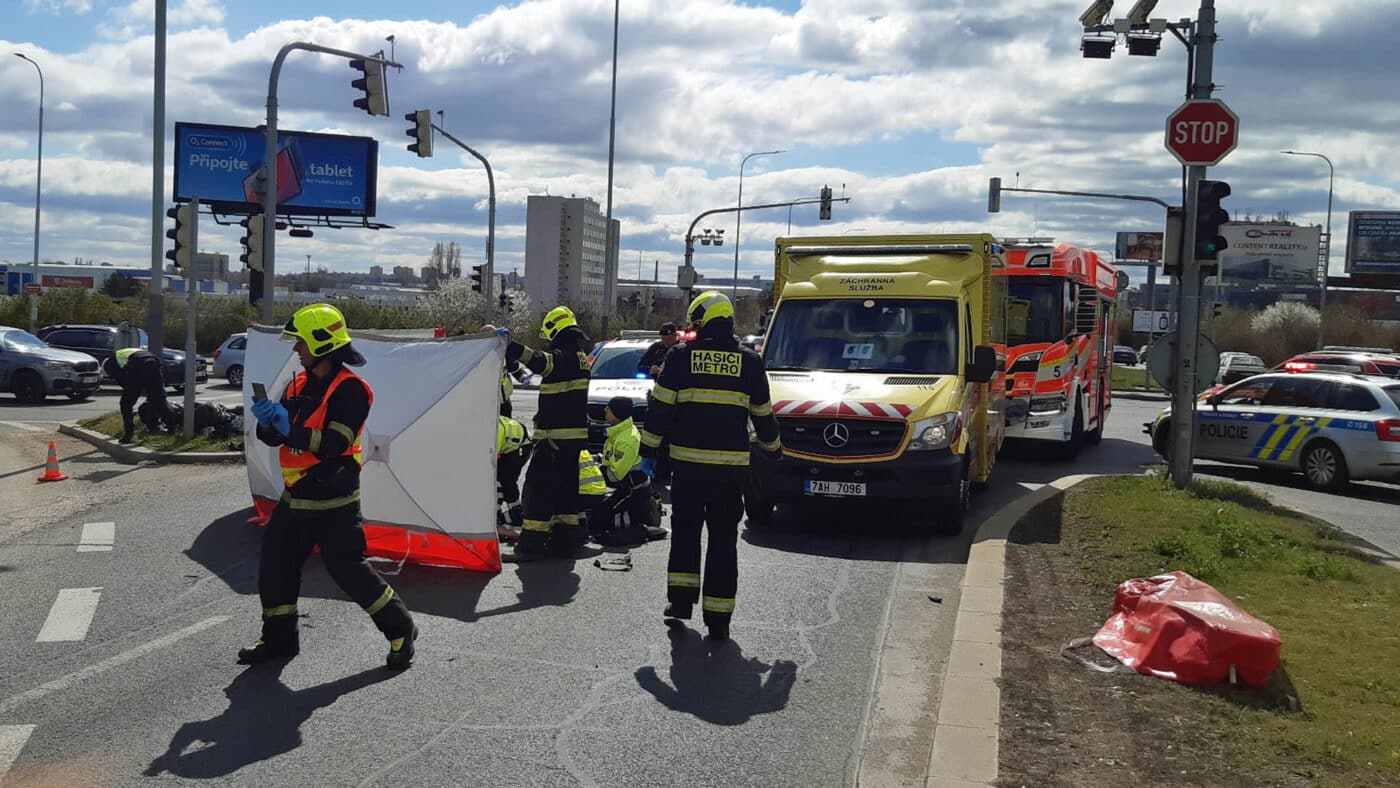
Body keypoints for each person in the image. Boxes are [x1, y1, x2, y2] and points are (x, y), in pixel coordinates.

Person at [241, 303, 418, 670]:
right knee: (275, 569)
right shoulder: (300, 384)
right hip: (296, 497)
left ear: (320, 345)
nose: (295, 349)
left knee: (349, 572)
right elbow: (276, 438)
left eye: (300, 343)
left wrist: (289, 428)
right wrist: (269, 424)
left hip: (334, 500)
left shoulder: (353, 390)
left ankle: (401, 628)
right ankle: (279, 642)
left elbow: (335, 444)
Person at [641, 291, 782, 641]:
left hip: (688, 469)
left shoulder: (679, 357)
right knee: (723, 540)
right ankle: (719, 619)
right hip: (731, 472)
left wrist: (647, 452)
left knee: (686, 535)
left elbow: (660, 410)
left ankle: (680, 603)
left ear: (701, 321)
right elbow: (763, 415)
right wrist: (774, 451)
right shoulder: (749, 361)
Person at [501, 306, 591, 560]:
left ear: (555, 330)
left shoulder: (565, 356)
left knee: (537, 489)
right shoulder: (581, 356)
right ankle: (564, 541)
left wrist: (510, 344)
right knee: (565, 491)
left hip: (554, 437)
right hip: (570, 439)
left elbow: (539, 361)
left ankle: (532, 544)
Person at [591, 396, 665, 546]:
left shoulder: (626, 440)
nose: (605, 410)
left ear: (617, 413)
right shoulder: (618, 433)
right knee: (595, 513)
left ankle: (643, 520)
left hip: (633, 491)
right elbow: (608, 460)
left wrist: (591, 474)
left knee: (599, 521)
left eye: (609, 407)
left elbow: (613, 477)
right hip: (625, 488)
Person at [111, 347, 175, 443]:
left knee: (126, 404)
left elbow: (123, 380)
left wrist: (133, 391)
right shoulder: (127, 352)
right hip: (154, 364)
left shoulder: (113, 362)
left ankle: (128, 435)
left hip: (137, 367)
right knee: (160, 401)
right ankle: (173, 429)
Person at [496, 414, 531, 542]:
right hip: (510, 446)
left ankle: (515, 513)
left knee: (506, 480)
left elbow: (490, 462)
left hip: (521, 447)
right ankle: (506, 513)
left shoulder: (495, 432)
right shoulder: (490, 427)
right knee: (500, 479)